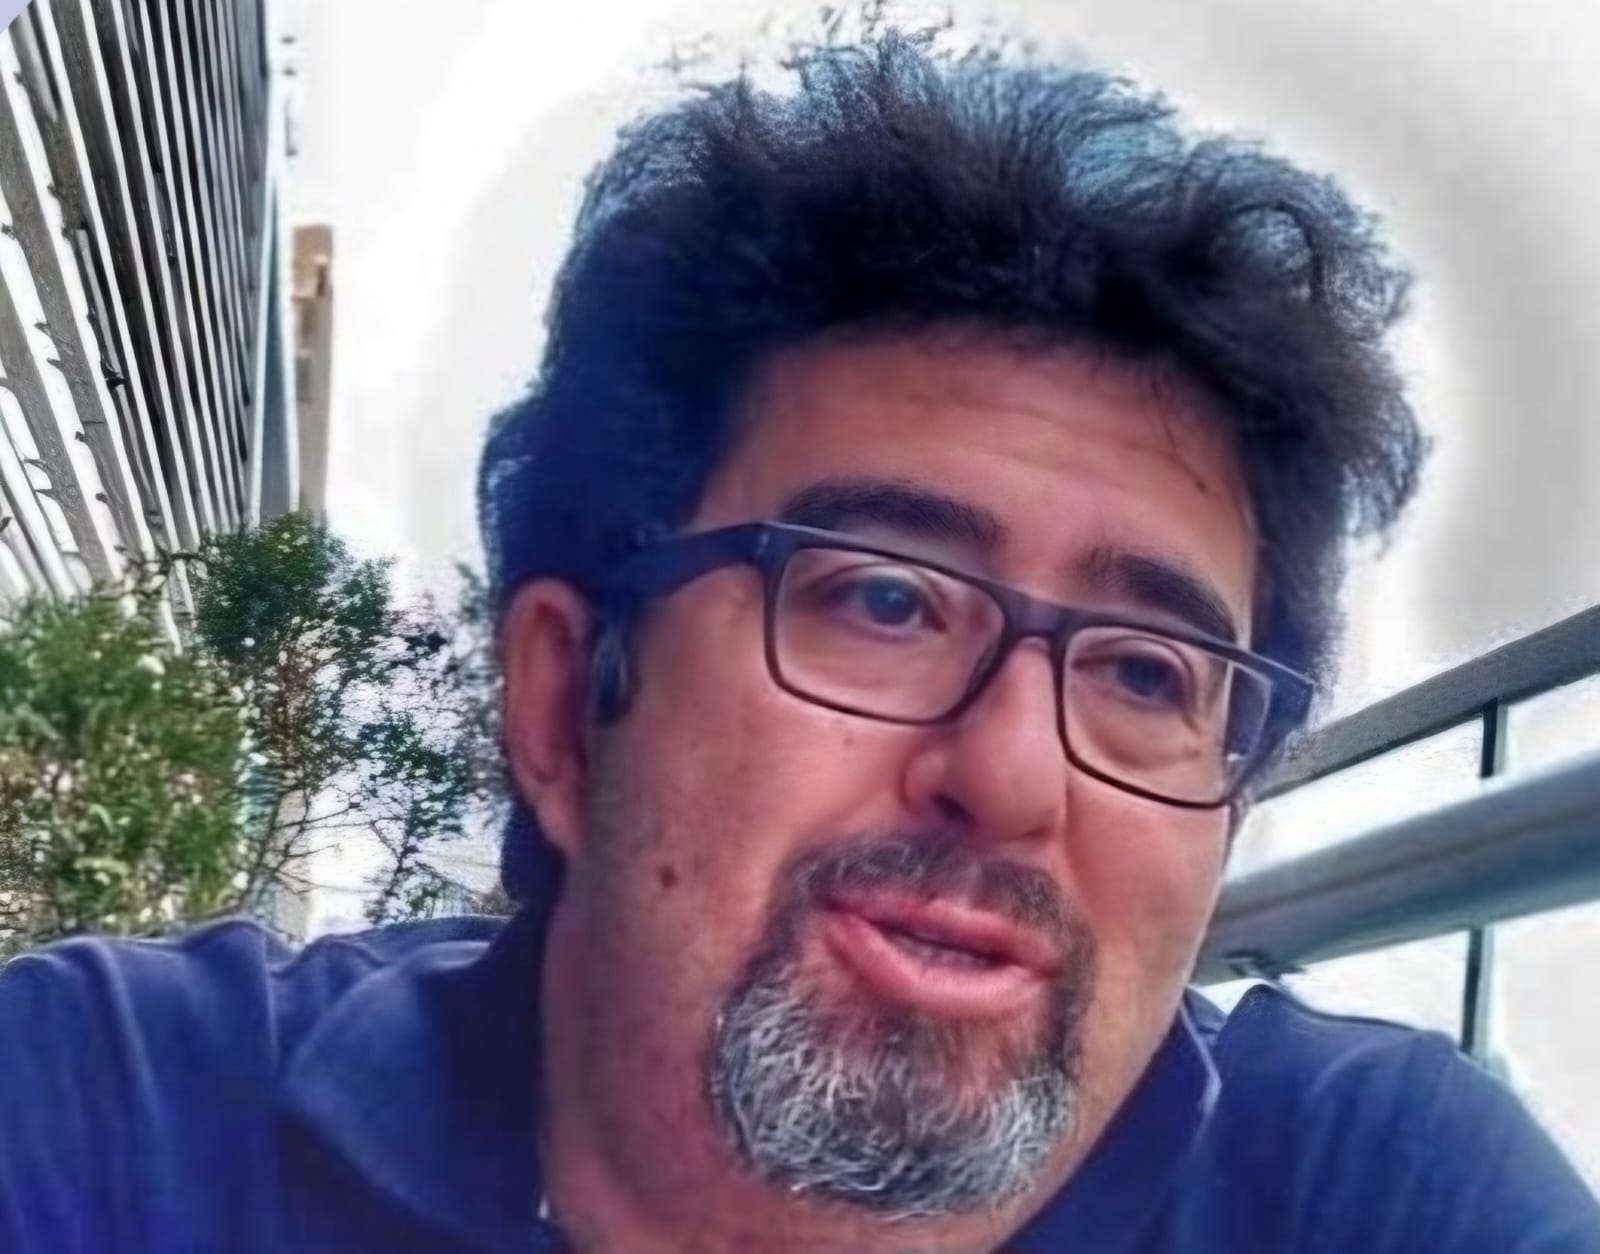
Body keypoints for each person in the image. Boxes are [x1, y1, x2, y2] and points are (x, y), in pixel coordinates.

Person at [2, 23, 1598, 1254]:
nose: (1014, 774)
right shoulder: (117, 1120)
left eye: (1143, 672)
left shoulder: (1374, 1193)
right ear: (563, 706)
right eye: (885, 599)